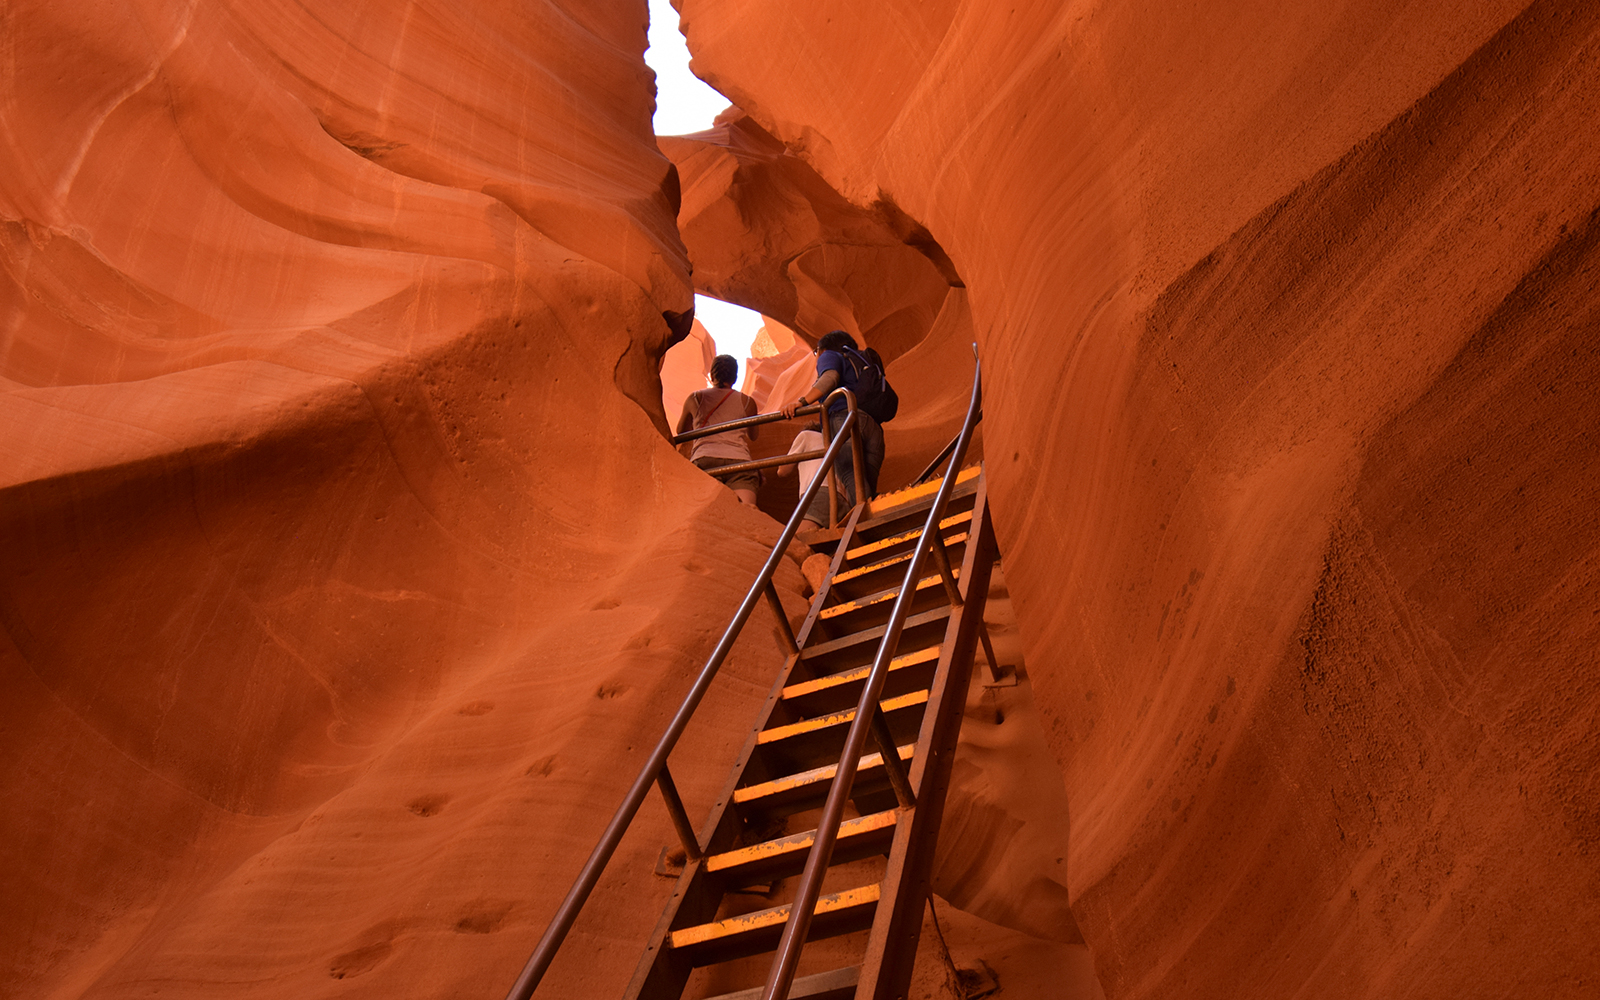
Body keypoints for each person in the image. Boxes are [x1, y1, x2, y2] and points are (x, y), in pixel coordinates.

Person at [780, 331, 885, 511]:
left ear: (822, 349)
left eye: (816, 352)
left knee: (850, 474)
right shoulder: (860, 360)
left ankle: (871, 521)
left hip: (845, 418)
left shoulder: (830, 355)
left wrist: (801, 402)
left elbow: (830, 378)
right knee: (865, 481)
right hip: (873, 425)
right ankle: (875, 516)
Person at [677, 355, 760, 505]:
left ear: (712, 375)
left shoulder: (695, 398)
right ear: (734, 377)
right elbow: (754, 436)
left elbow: (681, 431)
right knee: (747, 510)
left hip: (705, 458)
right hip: (739, 461)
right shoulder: (747, 402)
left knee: (703, 510)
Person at [776, 419, 829, 531]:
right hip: (843, 497)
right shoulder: (833, 441)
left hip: (818, 491)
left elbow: (783, 471)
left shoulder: (806, 435)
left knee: (794, 540)